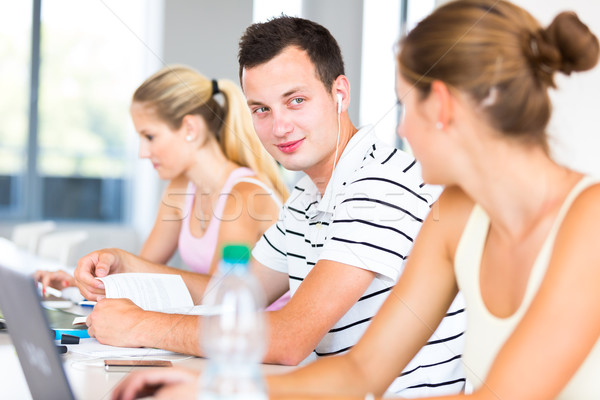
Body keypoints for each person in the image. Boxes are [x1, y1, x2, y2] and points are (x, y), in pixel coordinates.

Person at [110, 1, 600, 400]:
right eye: (262, 108)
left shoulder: (589, 219)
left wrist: (148, 330)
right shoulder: (453, 213)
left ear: (444, 107)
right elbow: (361, 371)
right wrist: (205, 386)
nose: (401, 128)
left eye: (406, 105)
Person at [77, 15, 465, 396]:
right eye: (262, 109)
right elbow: (228, 293)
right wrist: (128, 264)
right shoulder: (307, 195)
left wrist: (142, 326)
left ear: (339, 94)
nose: (279, 127)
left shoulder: (378, 184)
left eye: (295, 101)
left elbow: (290, 338)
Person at [35, 65, 289, 309]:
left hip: (256, 341)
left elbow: (218, 294)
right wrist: (84, 281)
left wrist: (127, 263)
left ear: (190, 128)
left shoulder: (244, 195)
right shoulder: (180, 189)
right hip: (216, 333)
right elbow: (140, 270)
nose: (143, 153)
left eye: (150, 137)